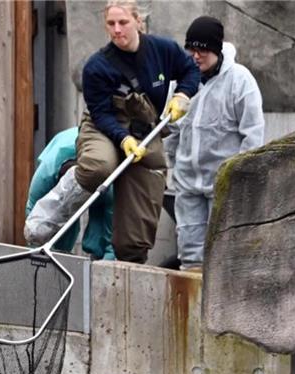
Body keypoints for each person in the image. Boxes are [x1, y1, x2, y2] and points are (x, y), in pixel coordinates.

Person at [25, 0, 200, 264]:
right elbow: (100, 113)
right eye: (111, 24)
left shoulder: (163, 50)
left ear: (138, 22)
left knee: (137, 227)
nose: (117, 30)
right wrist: (123, 139)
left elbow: (190, 70)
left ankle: (129, 262)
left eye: (123, 23)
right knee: (99, 166)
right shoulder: (97, 66)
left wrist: (183, 95)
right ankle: (44, 221)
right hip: (104, 125)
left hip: (144, 127)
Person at [164, 16, 264, 271]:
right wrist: (172, 164)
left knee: (224, 254)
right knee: (190, 256)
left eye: (203, 50)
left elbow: (253, 133)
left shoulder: (240, 80)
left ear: (216, 50)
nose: (196, 56)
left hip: (223, 183)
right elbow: (172, 128)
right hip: (187, 184)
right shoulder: (181, 80)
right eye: (191, 49)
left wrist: (239, 175)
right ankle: (194, 307)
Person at [25, 126, 115, 260]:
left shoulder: (108, 182)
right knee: (61, 219)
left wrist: (107, 264)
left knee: (101, 234)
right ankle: (60, 256)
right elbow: (35, 215)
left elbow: (110, 228)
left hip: (98, 164)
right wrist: (36, 252)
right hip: (66, 149)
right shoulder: (45, 175)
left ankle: (95, 258)